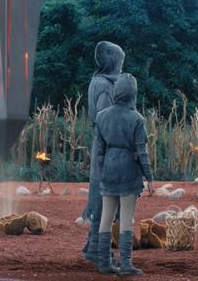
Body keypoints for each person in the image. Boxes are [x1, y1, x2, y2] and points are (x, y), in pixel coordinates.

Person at [92, 73, 154, 275]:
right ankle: (125, 264)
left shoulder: (102, 117)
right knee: (127, 218)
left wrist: (102, 174)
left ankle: (104, 262)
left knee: (106, 217)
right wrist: (149, 178)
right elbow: (142, 152)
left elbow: (99, 152)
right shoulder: (137, 119)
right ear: (132, 94)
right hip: (128, 169)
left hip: (109, 168)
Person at [82, 41, 125, 268]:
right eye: (120, 62)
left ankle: (93, 246)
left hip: (102, 146)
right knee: (108, 201)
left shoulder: (97, 81)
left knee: (103, 199)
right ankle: (101, 254)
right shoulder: (106, 87)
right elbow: (106, 118)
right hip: (108, 149)